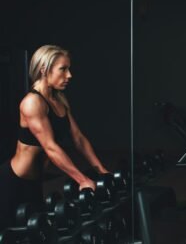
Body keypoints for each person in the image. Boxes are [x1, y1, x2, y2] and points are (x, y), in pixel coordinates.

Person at [0, 45, 109, 230]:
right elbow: (50, 148)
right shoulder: (32, 103)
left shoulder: (59, 102)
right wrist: (82, 180)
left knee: (36, 233)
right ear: (44, 69)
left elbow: (79, 139)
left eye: (69, 69)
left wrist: (101, 171)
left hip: (34, 183)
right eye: (63, 69)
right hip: (12, 183)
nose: (69, 75)